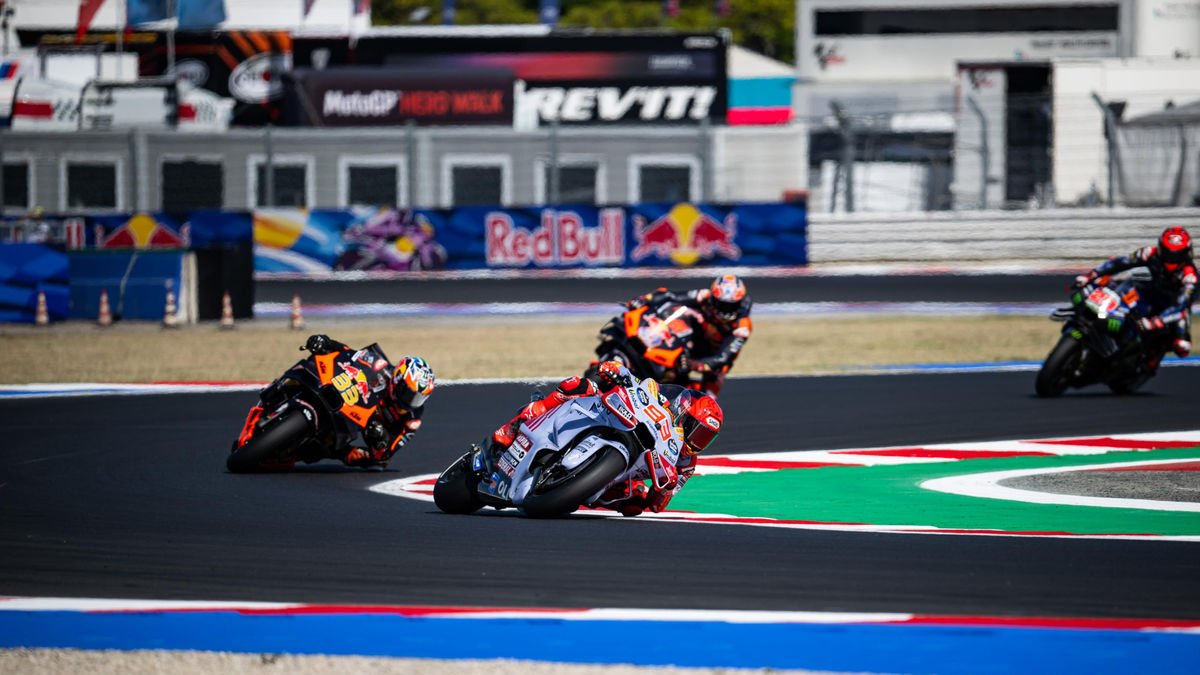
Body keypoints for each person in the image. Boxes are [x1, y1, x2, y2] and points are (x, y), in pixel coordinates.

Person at [486, 361, 723, 516]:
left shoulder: (686, 464)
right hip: (611, 418)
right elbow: (635, 382)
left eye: (705, 438)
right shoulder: (662, 399)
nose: (696, 441)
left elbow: (658, 505)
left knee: (634, 503)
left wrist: (663, 491)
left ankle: (573, 489)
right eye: (697, 430)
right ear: (684, 411)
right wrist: (616, 370)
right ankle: (513, 427)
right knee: (577, 386)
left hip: (621, 474)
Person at [303, 334, 435, 469]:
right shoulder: (380, 366)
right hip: (348, 398)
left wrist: (380, 442)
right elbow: (350, 354)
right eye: (409, 394)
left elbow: (385, 456)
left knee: (362, 459)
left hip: (364, 426)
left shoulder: (412, 419)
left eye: (418, 398)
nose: (411, 402)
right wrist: (327, 343)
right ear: (398, 380)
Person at [1074, 226, 1196, 366]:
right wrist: (1093, 274)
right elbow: (1121, 262)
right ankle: (1107, 331)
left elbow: (1182, 304)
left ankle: (1150, 359)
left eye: (1177, 256)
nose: (1171, 260)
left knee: (1182, 346)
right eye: (1168, 255)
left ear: (1187, 254)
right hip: (1152, 293)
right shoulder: (1149, 253)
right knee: (1123, 287)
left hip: (1172, 306)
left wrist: (1158, 321)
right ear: (1161, 249)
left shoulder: (1190, 276)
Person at [624, 273, 753, 396]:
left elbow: (722, 358)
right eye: (721, 304)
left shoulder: (742, 327)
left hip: (713, 359)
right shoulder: (704, 296)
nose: (724, 310)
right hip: (693, 341)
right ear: (714, 298)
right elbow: (670, 296)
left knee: (707, 398)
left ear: (739, 303)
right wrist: (643, 299)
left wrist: (691, 364)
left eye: (730, 306)